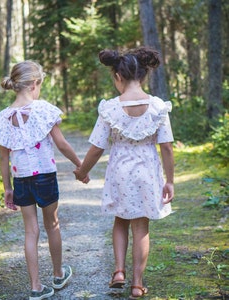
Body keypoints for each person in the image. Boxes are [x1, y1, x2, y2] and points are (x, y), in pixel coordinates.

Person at [74, 47, 174, 299]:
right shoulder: (158, 107)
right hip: (147, 172)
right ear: (142, 76)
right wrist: (169, 181)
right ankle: (137, 285)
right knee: (141, 227)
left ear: (118, 76)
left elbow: (97, 148)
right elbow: (167, 148)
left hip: (120, 171)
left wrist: (82, 171)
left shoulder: (110, 108)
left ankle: (119, 271)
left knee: (120, 220)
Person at [0, 60, 88, 300]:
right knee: (52, 224)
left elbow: (4, 159)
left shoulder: (4, 117)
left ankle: (35, 287)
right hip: (45, 177)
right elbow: (62, 144)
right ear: (35, 84)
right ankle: (57, 274)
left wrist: (7, 188)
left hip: (21, 180)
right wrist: (80, 165)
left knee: (30, 232)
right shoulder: (43, 110)